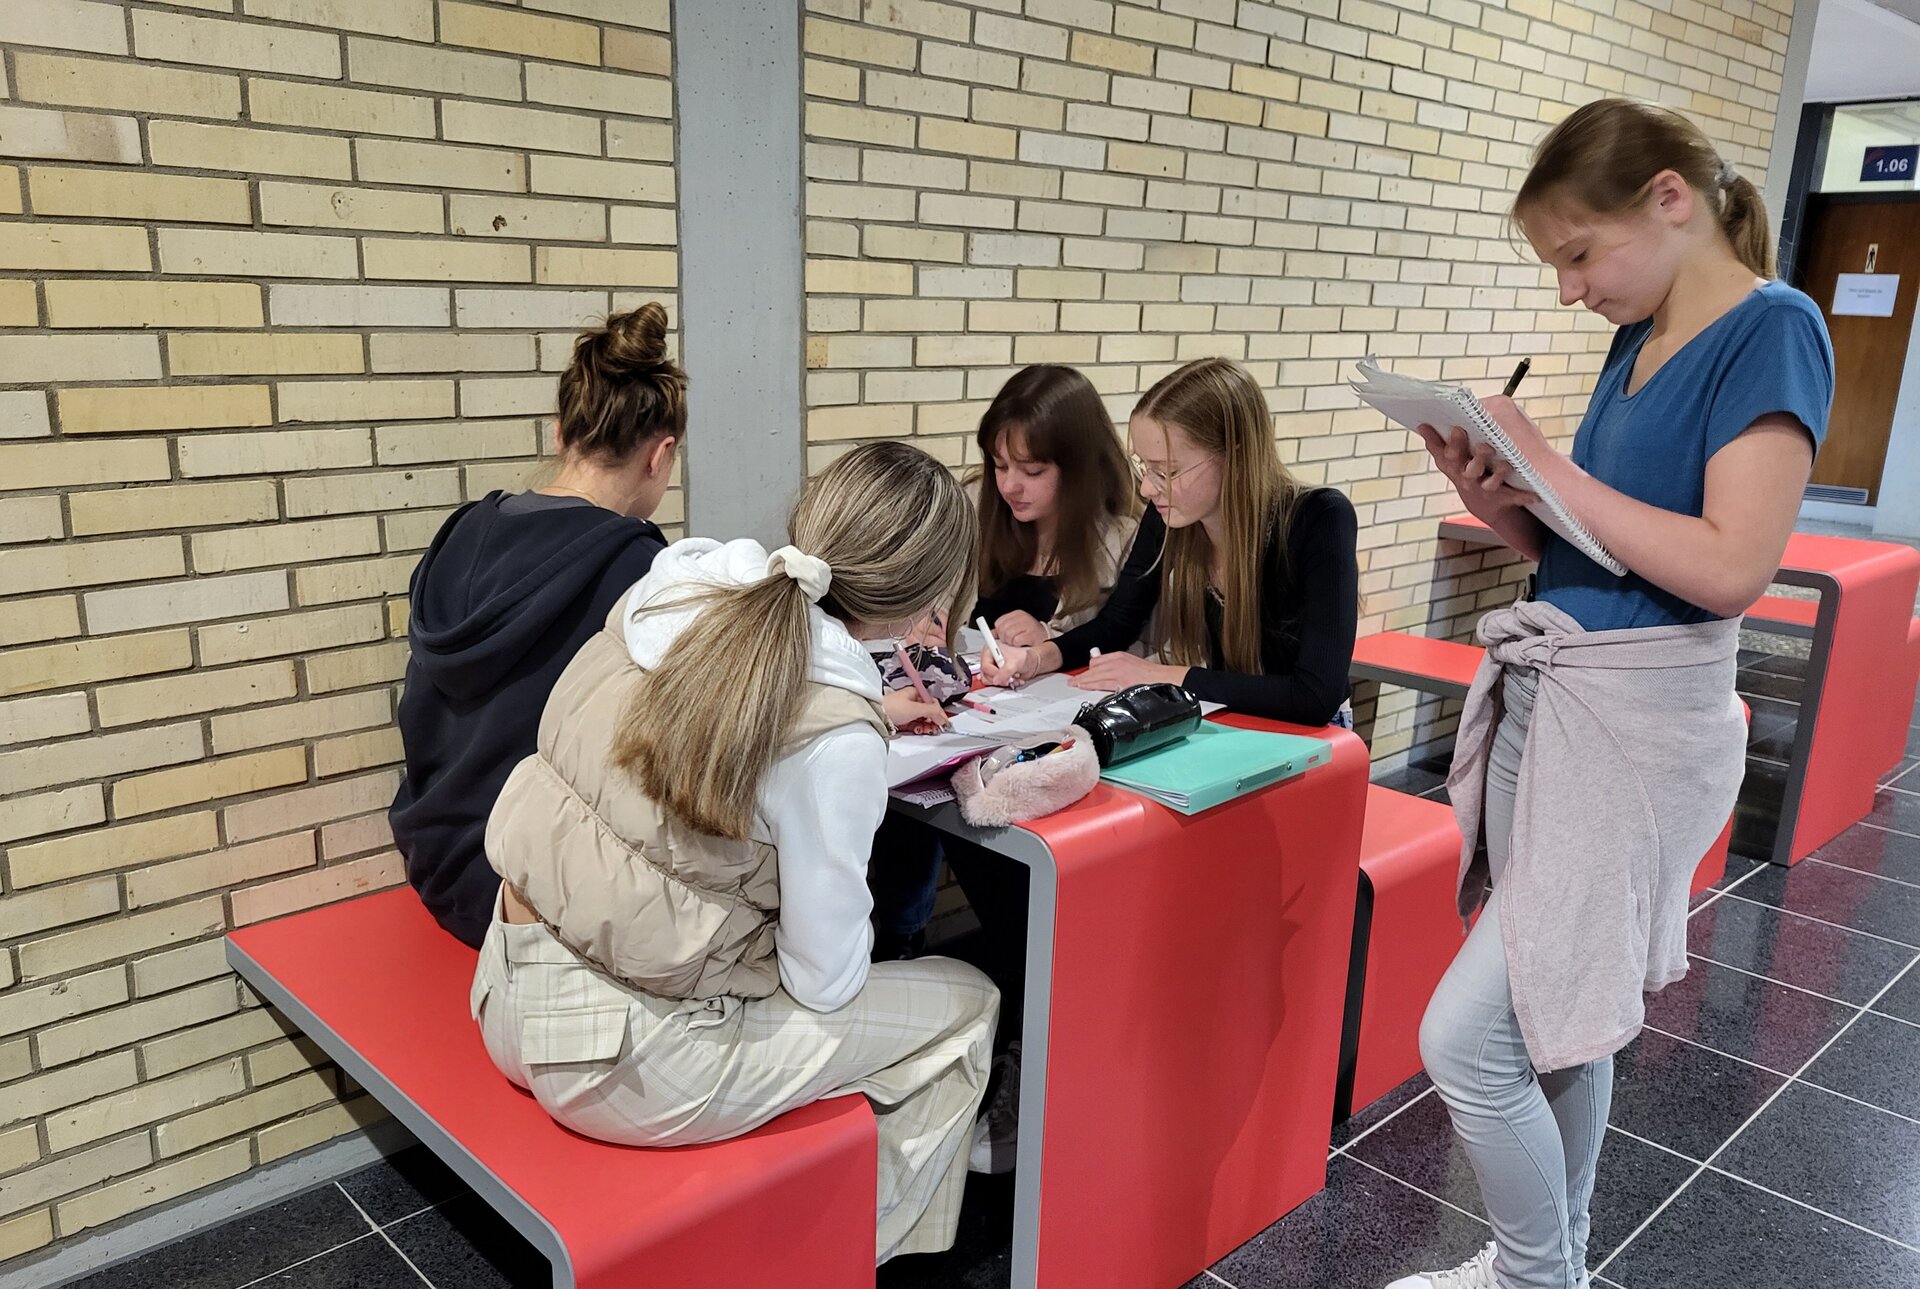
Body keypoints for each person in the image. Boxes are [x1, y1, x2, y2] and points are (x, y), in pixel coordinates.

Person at [1385, 100, 1833, 1289]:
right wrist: (1505, 498)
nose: (1573, 291)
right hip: (1561, 698)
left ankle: (1540, 1276)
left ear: (1671, 198)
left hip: (1634, 729)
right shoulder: (1638, 343)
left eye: (1581, 254)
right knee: (1559, 1015)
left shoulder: (1773, 328)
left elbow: (1732, 566)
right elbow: (1599, 550)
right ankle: (1559, 1255)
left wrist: (1559, 466)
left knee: (1466, 1043)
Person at [475, 441, 998, 1265]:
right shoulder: (835, 736)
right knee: (967, 1002)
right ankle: (853, 1255)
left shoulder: (676, 591)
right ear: (929, 598)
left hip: (504, 992)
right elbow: (825, 982)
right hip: (619, 1066)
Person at [390, 303, 682, 948]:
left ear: (560, 433)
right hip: (529, 891)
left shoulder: (462, 531)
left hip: (435, 862)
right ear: (660, 455)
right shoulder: (636, 566)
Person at [979, 356, 1359, 730]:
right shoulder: (1170, 513)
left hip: (1314, 742)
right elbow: (1116, 624)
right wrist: (1036, 658)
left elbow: (1314, 695)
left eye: (1167, 471)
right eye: (1146, 467)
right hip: (1228, 720)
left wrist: (1161, 674)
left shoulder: (1321, 518)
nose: (1146, 487)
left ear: (1235, 457)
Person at [971, 363, 1142, 646]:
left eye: (1032, 471)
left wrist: (1052, 643)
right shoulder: (975, 507)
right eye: (1000, 465)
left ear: (1079, 470)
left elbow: (1141, 657)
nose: (1009, 486)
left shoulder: (1125, 540)